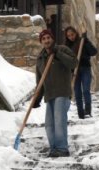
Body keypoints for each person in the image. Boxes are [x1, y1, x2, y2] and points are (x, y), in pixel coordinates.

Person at [34, 29, 77, 158]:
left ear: (52, 38)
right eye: (44, 39)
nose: (46, 40)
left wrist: (57, 52)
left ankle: (62, 148)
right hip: (49, 94)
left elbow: (73, 63)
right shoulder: (40, 58)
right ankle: (53, 149)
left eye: (48, 37)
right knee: (49, 124)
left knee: (59, 121)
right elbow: (40, 80)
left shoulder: (62, 49)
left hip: (62, 92)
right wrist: (37, 98)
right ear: (41, 42)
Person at [64, 26, 98, 119]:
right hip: (74, 71)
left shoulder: (82, 41)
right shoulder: (67, 46)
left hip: (85, 68)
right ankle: (80, 113)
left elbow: (94, 52)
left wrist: (85, 40)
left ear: (76, 33)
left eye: (72, 34)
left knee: (86, 90)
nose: (71, 37)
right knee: (77, 92)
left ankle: (87, 110)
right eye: (69, 36)